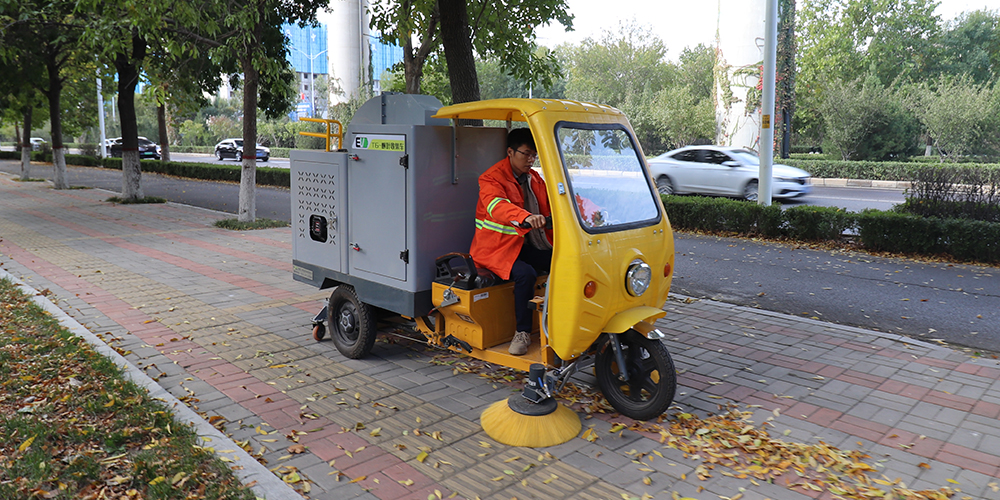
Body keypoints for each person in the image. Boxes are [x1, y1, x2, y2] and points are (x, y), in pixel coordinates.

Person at [470, 128, 552, 355]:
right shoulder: (491, 178)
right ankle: (522, 332)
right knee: (526, 273)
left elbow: (557, 199)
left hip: (522, 245)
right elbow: (497, 206)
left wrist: (588, 211)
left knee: (562, 259)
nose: (530, 159)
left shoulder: (534, 178)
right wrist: (525, 217)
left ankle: (557, 318)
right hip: (495, 249)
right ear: (510, 152)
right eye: (526, 154)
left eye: (533, 155)